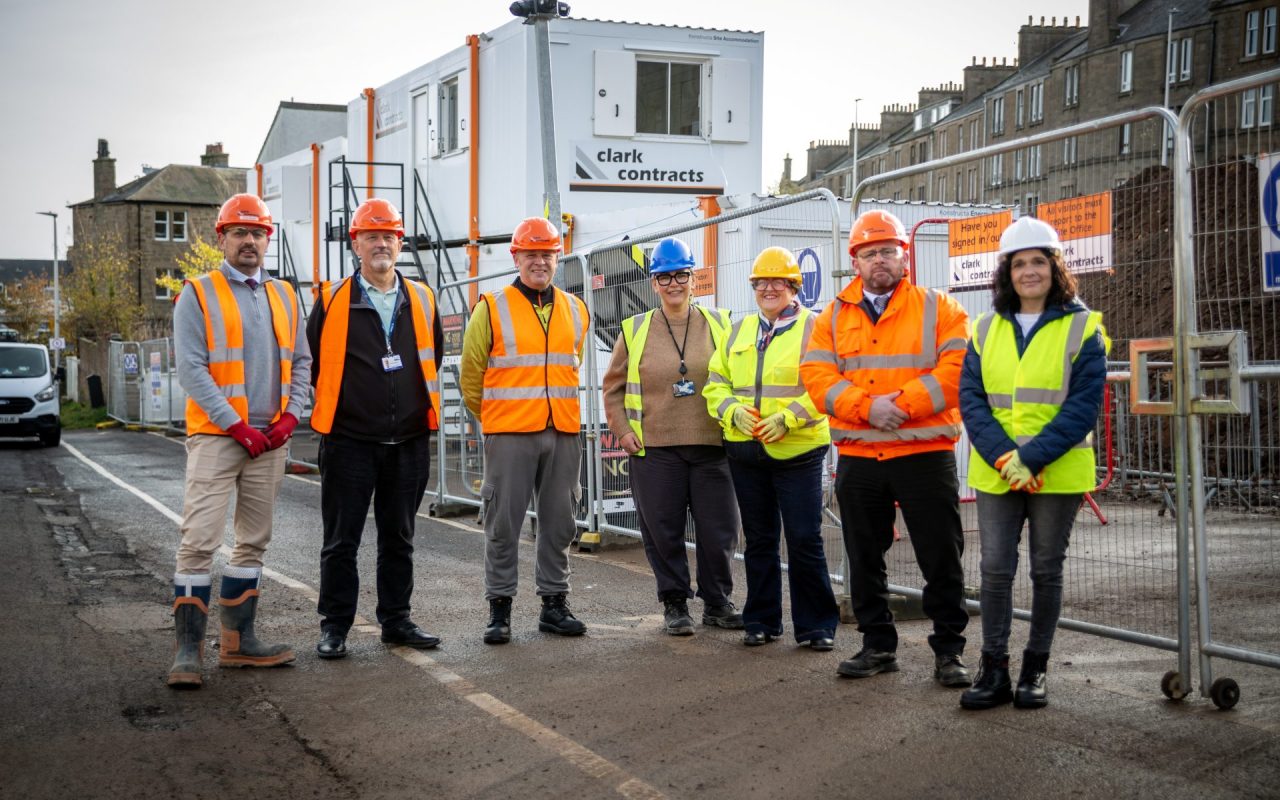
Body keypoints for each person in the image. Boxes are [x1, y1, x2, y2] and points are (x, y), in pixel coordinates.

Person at [800, 209, 972, 687]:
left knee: (941, 555)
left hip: (923, 452)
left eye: (887, 251)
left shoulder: (941, 308)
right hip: (859, 454)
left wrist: (900, 405)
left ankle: (949, 652)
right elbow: (816, 378)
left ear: (905, 255)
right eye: (869, 253)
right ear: (855, 260)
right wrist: (865, 408)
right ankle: (877, 645)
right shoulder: (832, 316)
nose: (879, 260)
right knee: (863, 555)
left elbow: (957, 370)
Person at [958, 217, 1108, 710]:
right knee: (996, 569)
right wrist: (1007, 458)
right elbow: (972, 400)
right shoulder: (983, 328)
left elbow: (1083, 405)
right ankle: (993, 668)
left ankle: (1034, 670)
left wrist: (1033, 457)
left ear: (1054, 267)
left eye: (1038, 262)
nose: (1028, 272)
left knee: (1047, 570)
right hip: (999, 471)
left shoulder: (1084, 326)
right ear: (1006, 272)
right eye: (1018, 263)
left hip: (1057, 472)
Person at [168, 193, 312, 688]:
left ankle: (238, 644)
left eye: (257, 233)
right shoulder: (198, 293)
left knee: (253, 542)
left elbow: (303, 364)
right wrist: (235, 425)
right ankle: (188, 651)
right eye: (239, 233)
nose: (249, 241)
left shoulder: (286, 296)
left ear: (267, 239)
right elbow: (190, 369)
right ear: (222, 238)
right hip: (217, 437)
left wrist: (291, 418)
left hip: (270, 439)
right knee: (199, 542)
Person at [307, 198, 444, 659]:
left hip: (407, 441)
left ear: (400, 242)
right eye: (372, 236)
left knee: (399, 538)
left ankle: (396, 620)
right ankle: (336, 625)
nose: (381, 243)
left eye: (389, 235)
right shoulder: (331, 300)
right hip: (349, 442)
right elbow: (314, 364)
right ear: (356, 245)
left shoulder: (422, 298)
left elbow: (433, 358)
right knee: (341, 540)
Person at [460, 216, 590, 644]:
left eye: (547, 254)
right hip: (510, 436)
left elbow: (572, 368)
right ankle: (500, 610)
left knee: (560, 523)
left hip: (563, 432)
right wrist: (495, 420)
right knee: (503, 525)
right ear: (515, 257)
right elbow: (471, 374)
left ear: (558, 258)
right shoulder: (491, 307)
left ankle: (554, 605)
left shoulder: (576, 309)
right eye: (531, 254)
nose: (540, 262)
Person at [602, 237, 743, 635]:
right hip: (656, 449)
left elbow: (737, 377)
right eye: (665, 277)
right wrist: (623, 430)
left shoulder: (720, 323)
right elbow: (611, 388)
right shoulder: (635, 329)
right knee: (663, 530)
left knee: (719, 531)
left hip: (713, 446)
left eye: (681, 275)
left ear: (694, 278)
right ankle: (675, 604)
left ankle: (717, 602)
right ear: (654, 283)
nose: (674, 283)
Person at [703, 247, 839, 650]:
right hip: (746, 451)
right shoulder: (739, 330)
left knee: (803, 538)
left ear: (794, 287)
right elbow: (715, 383)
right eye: (761, 282)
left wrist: (789, 418)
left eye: (777, 281)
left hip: (797, 451)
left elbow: (827, 387)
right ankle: (761, 621)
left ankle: (816, 627)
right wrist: (730, 412)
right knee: (759, 540)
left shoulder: (815, 328)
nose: (768, 288)